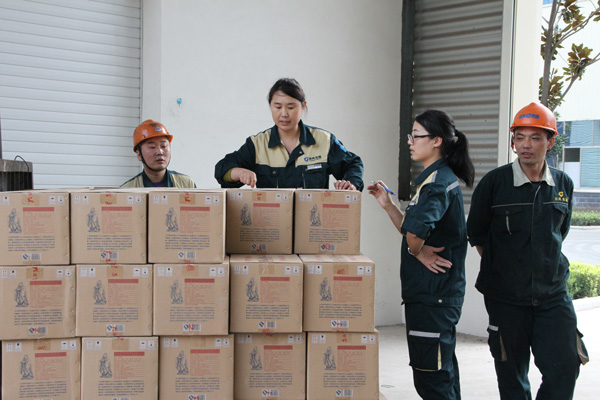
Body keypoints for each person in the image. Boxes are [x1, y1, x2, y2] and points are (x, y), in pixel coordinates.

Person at [466, 102, 588, 400]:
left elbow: (559, 232)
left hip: (552, 295)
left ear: (550, 141)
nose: (525, 145)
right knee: (511, 373)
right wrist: (506, 267)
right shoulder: (495, 183)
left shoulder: (563, 183)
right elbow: (478, 234)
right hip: (506, 298)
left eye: (535, 138)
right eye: (519, 137)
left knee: (566, 365)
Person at [368, 109, 474, 400]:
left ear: (437, 140)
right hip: (434, 296)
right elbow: (412, 230)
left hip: (433, 297)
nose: (410, 142)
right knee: (442, 374)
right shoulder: (433, 180)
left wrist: (418, 253)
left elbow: (415, 236)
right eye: (410, 136)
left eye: (416, 136)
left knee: (432, 380)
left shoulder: (437, 183)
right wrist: (388, 205)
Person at [214, 78, 364, 190]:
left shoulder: (323, 140)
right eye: (277, 107)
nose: (284, 114)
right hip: (271, 222)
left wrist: (351, 184)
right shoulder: (258, 144)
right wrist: (239, 172)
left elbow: (353, 164)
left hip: (312, 222)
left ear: (303, 106)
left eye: (291, 107)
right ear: (270, 106)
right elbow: (222, 168)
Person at [121, 120, 196, 188]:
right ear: (139, 154)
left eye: (164, 146)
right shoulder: (127, 190)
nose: (160, 152)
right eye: (152, 147)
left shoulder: (187, 185)